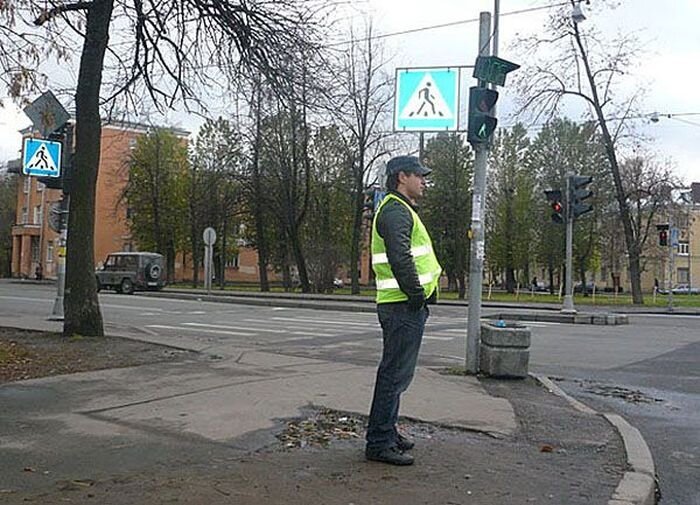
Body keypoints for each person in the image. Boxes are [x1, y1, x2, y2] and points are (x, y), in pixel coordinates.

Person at [365, 155, 442, 466]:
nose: (423, 181)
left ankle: (387, 432)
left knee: (396, 375)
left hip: (401, 305)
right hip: (402, 306)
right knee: (393, 376)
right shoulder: (396, 211)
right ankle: (379, 442)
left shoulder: (400, 209)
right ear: (401, 177)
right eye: (418, 175)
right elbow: (400, 257)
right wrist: (416, 295)